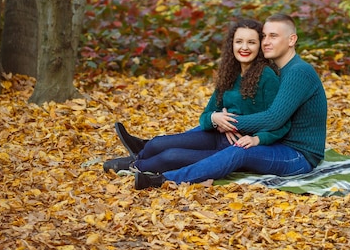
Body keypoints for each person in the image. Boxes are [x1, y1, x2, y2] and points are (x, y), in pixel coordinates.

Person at [134, 13, 328, 189]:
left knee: (239, 151)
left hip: (297, 154)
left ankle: (165, 179)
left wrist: (229, 124)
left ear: (292, 39)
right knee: (209, 137)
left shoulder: (298, 72)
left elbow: (274, 119)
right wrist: (216, 119)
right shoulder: (280, 70)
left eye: (273, 36)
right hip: (273, 142)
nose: (266, 42)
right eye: (265, 36)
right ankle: (149, 152)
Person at [103, 18, 288, 174]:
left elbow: (278, 122)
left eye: (251, 42)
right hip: (216, 135)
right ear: (232, 44)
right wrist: (216, 118)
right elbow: (206, 116)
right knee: (156, 144)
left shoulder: (267, 77)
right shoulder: (230, 73)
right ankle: (139, 157)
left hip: (235, 148)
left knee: (171, 156)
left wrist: (255, 137)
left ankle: (135, 167)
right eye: (239, 42)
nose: (244, 47)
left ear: (260, 46)